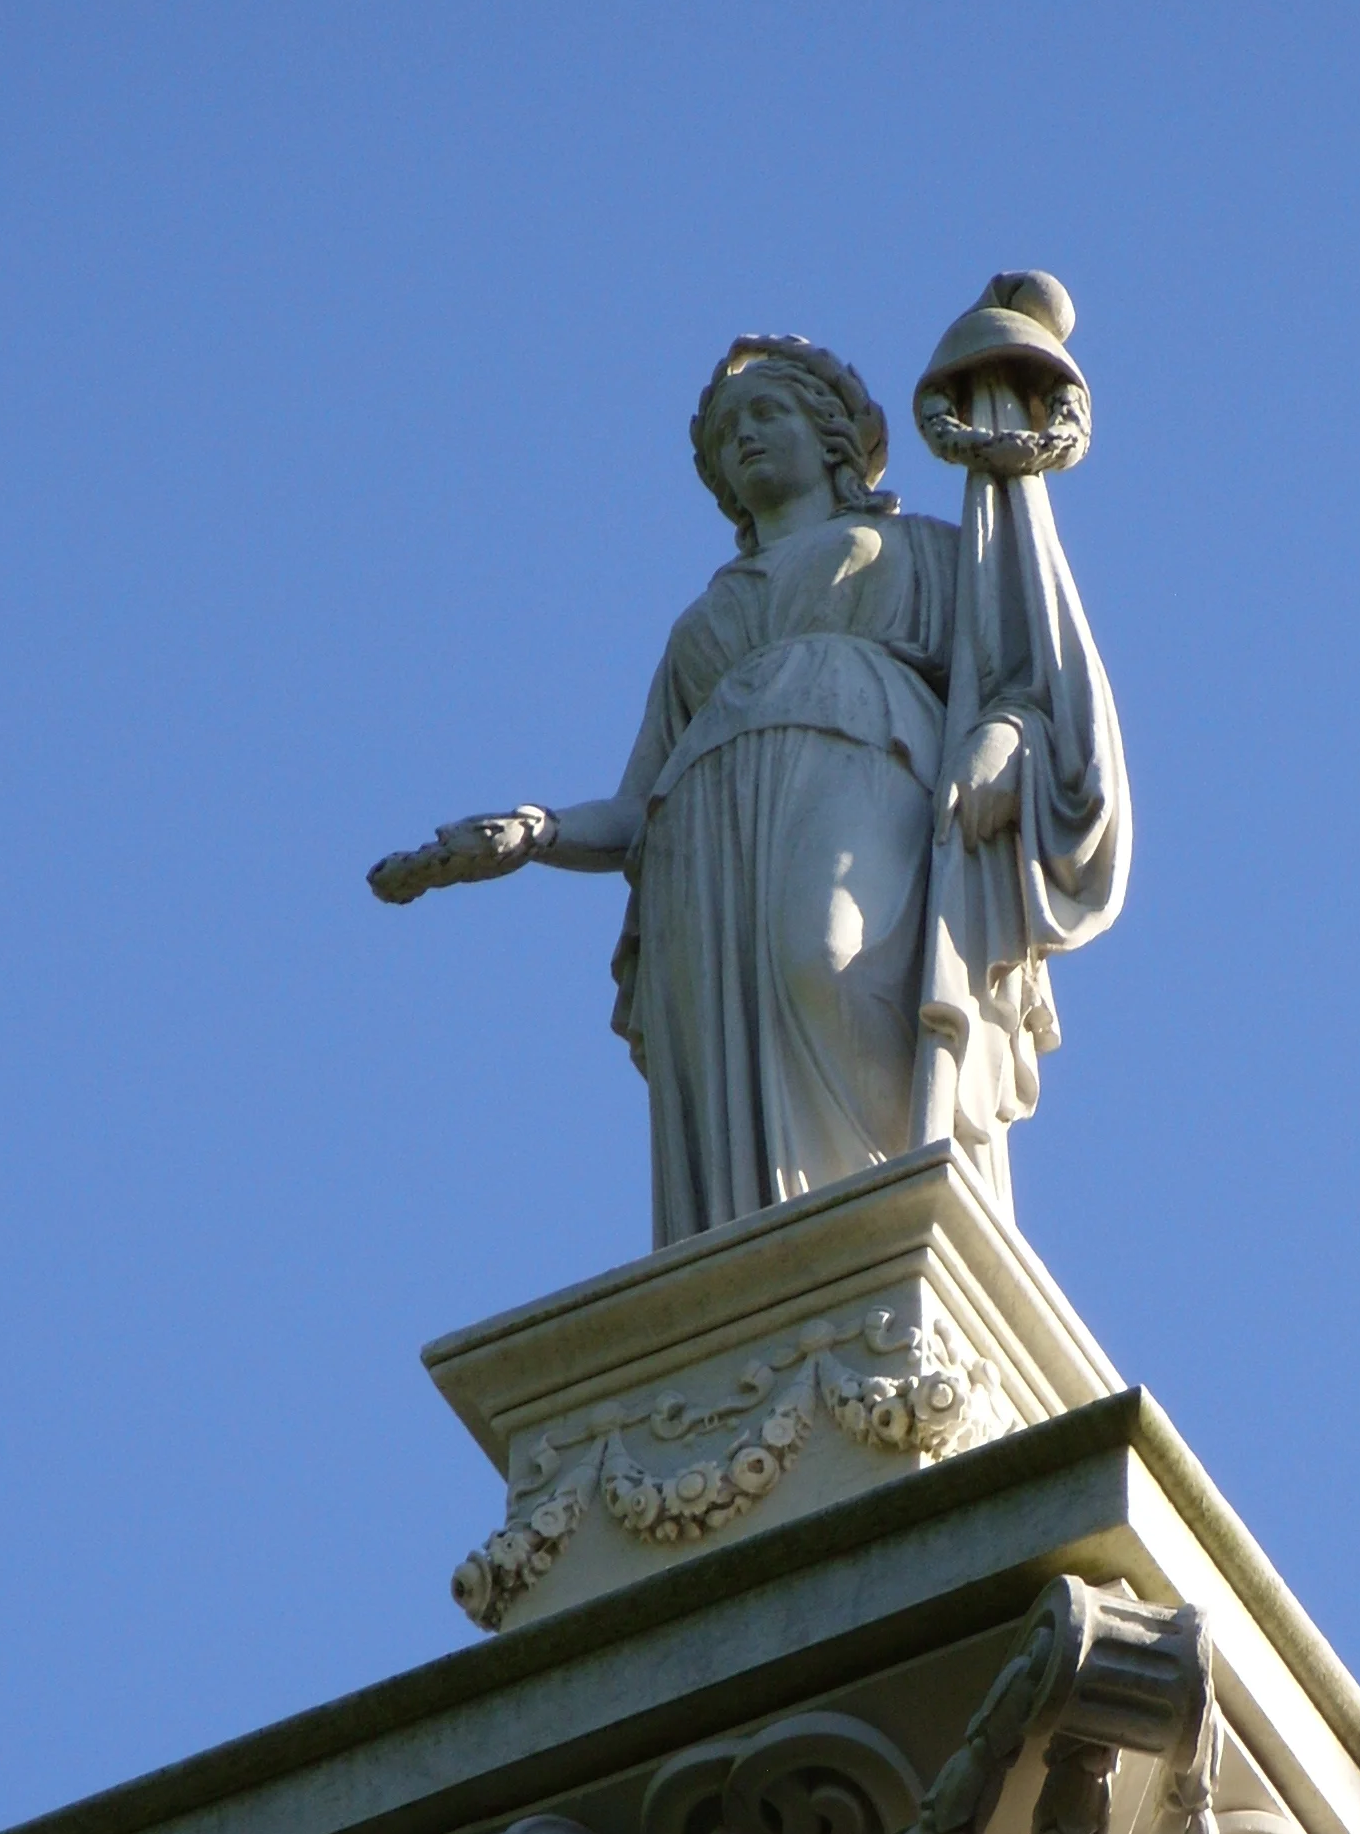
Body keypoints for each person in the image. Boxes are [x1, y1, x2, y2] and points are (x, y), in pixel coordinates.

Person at [373, 276, 1130, 1247]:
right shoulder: (704, 621)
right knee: (725, 1054)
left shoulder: (916, 552)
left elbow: (1014, 673)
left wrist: (1004, 737)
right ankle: (757, 1257)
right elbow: (634, 804)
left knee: (826, 962)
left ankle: (881, 1231)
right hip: (702, 832)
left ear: (831, 437)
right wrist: (537, 832)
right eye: (730, 434)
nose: (746, 439)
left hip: (864, 767)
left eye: (767, 413)